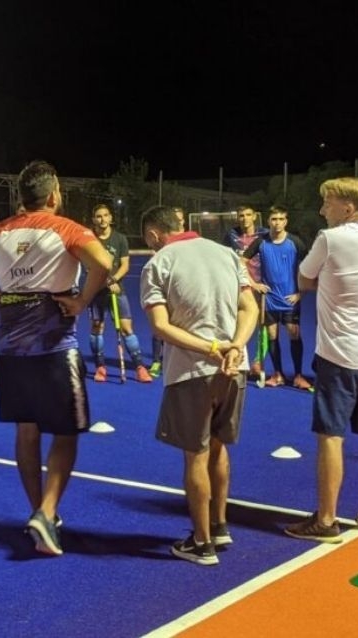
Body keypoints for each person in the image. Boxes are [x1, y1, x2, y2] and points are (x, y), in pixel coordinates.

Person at [0, 160, 112, 556]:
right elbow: (103, 263)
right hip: (54, 342)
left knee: (27, 429)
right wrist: (82, 300)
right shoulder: (66, 228)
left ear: (23, 197)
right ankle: (47, 512)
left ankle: (39, 512)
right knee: (66, 431)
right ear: (53, 195)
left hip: (11, 344)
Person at [139, 205, 258, 566]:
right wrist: (235, 346)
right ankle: (219, 526)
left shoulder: (158, 263)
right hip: (235, 368)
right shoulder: (227, 254)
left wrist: (211, 347)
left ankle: (202, 543)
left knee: (197, 455)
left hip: (192, 372)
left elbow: (160, 326)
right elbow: (250, 308)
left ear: (154, 235)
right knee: (219, 448)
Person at [284, 177, 358, 542]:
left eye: (328, 203)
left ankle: (326, 520)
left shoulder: (330, 239)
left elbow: (304, 279)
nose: (322, 210)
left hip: (338, 355)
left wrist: (330, 282)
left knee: (331, 436)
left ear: (348, 207)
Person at [241, 205, 312, 389]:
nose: (277, 223)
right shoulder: (261, 242)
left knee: (294, 335)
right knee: (272, 336)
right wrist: (254, 284)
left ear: (286, 221)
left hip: (290, 300)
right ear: (268, 221)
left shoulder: (295, 242)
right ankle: (278, 374)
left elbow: (311, 268)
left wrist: (300, 293)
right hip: (270, 299)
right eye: (274, 219)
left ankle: (298, 376)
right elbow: (241, 262)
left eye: (281, 219)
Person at [87, 203, 152, 383]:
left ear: (110, 218)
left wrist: (113, 280)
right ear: (94, 219)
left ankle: (139, 366)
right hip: (96, 290)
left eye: (105, 215)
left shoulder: (120, 239)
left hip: (117, 289)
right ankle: (100, 366)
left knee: (126, 328)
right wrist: (106, 282)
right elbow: (89, 266)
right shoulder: (89, 240)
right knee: (97, 327)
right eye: (98, 216)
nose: (102, 219)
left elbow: (125, 265)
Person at [223, 205, 269, 378]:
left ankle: (258, 362)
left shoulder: (265, 234)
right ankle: (238, 357)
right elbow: (225, 258)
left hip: (262, 285)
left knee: (263, 325)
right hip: (239, 286)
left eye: (248, 215)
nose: (244, 219)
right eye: (241, 215)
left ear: (254, 216)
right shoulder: (230, 235)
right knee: (239, 323)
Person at [149, 207, 184, 377]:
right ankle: (157, 360)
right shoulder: (161, 246)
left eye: (180, 219)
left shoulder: (191, 242)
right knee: (159, 325)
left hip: (182, 292)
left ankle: (177, 360)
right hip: (165, 288)